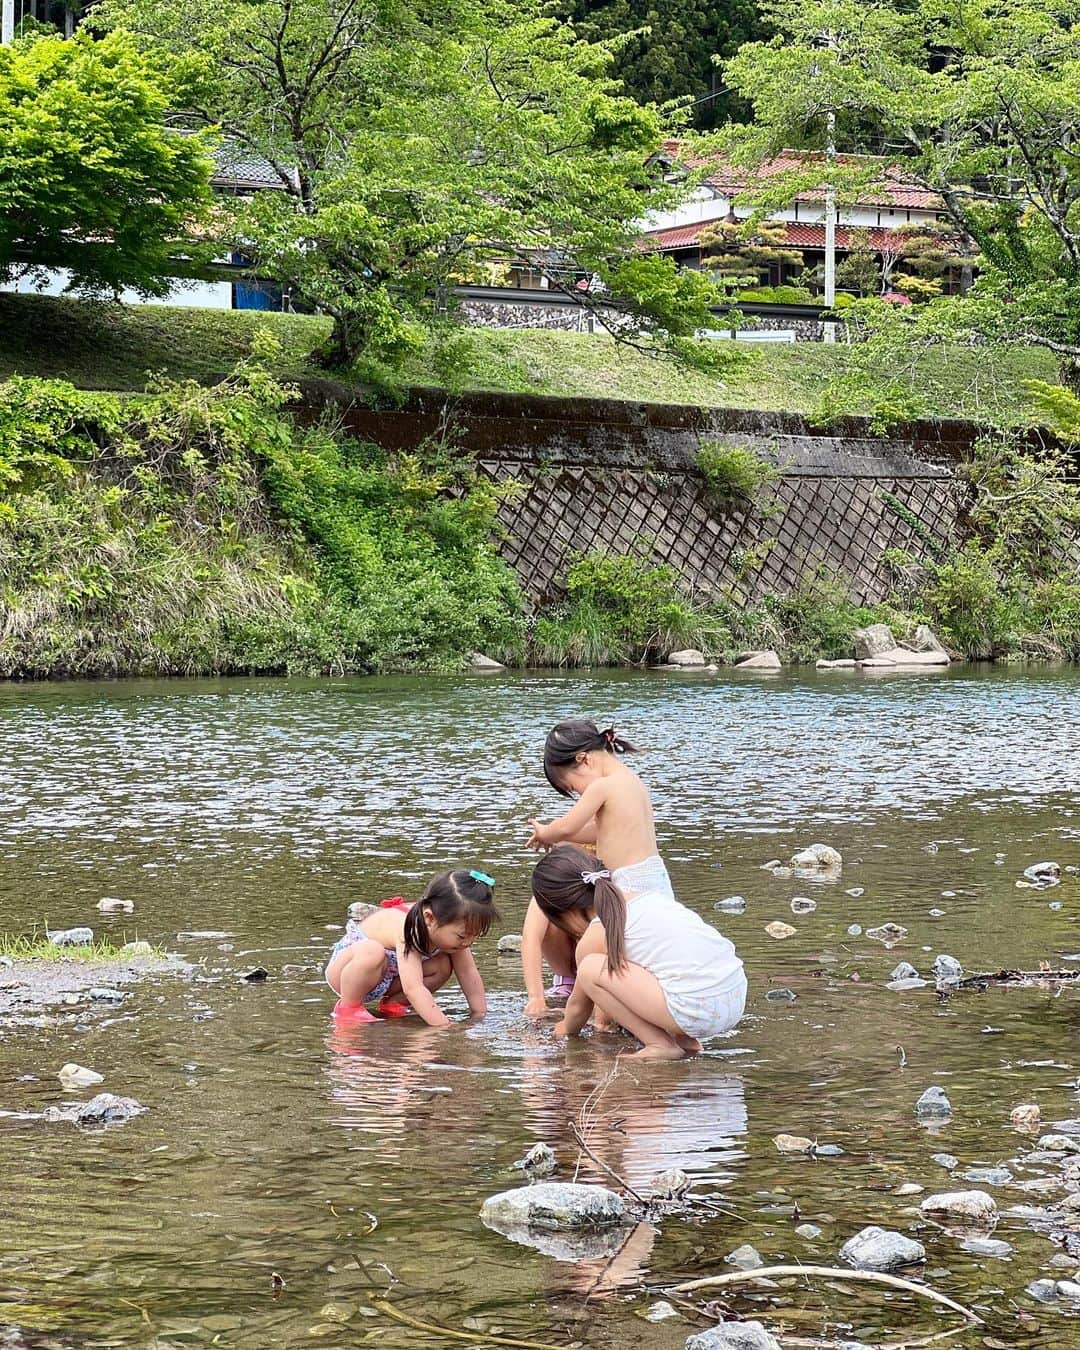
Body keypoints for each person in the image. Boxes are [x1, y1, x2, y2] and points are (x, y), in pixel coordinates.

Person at [530, 845, 746, 1060]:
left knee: (589, 969)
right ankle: (686, 1041)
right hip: (733, 997)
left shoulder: (596, 935)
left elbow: (578, 1007)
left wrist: (562, 1030)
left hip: (696, 1009)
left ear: (562, 913)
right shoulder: (647, 898)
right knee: (661, 968)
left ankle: (660, 1044)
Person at [522, 719, 671, 1016]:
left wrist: (546, 833)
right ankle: (652, 1006)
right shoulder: (632, 782)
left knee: (612, 949)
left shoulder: (602, 786)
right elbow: (598, 831)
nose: (578, 794)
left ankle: (602, 1018)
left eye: (572, 787)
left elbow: (569, 825)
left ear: (583, 759)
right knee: (648, 953)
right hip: (655, 876)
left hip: (632, 882)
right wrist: (562, 835)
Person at [325, 870, 497, 1028]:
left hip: (388, 975)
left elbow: (468, 973)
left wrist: (480, 1015)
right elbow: (413, 988)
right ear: (429, 918)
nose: (468, 942)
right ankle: (348, 1008)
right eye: (462, 936)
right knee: (372, 952)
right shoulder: (410, 928)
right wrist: (443, 1026)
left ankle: (393, 1003)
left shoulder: (454, 932)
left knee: (443, 965)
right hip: (348, 974)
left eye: (475, 936)